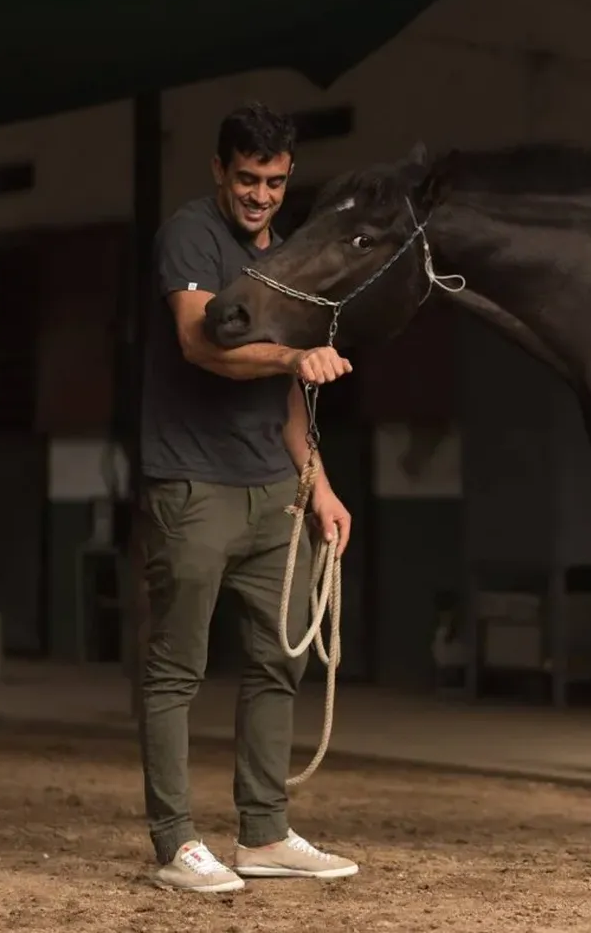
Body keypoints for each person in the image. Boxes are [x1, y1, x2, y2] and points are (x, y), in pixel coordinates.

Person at [136, 101, 359, 893]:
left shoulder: (287, 255)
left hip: (274, 489)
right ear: (218, 170)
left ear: (288, 173)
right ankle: (175, 845)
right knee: (175, 671)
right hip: (193, 487)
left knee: (277, 664)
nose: (259, 195)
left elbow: (290, 406)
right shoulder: (190, 234)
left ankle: (263, 834)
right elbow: (202, 345)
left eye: (271, 180)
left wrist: (321, 490)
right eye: (245, 178)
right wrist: (294, 356)